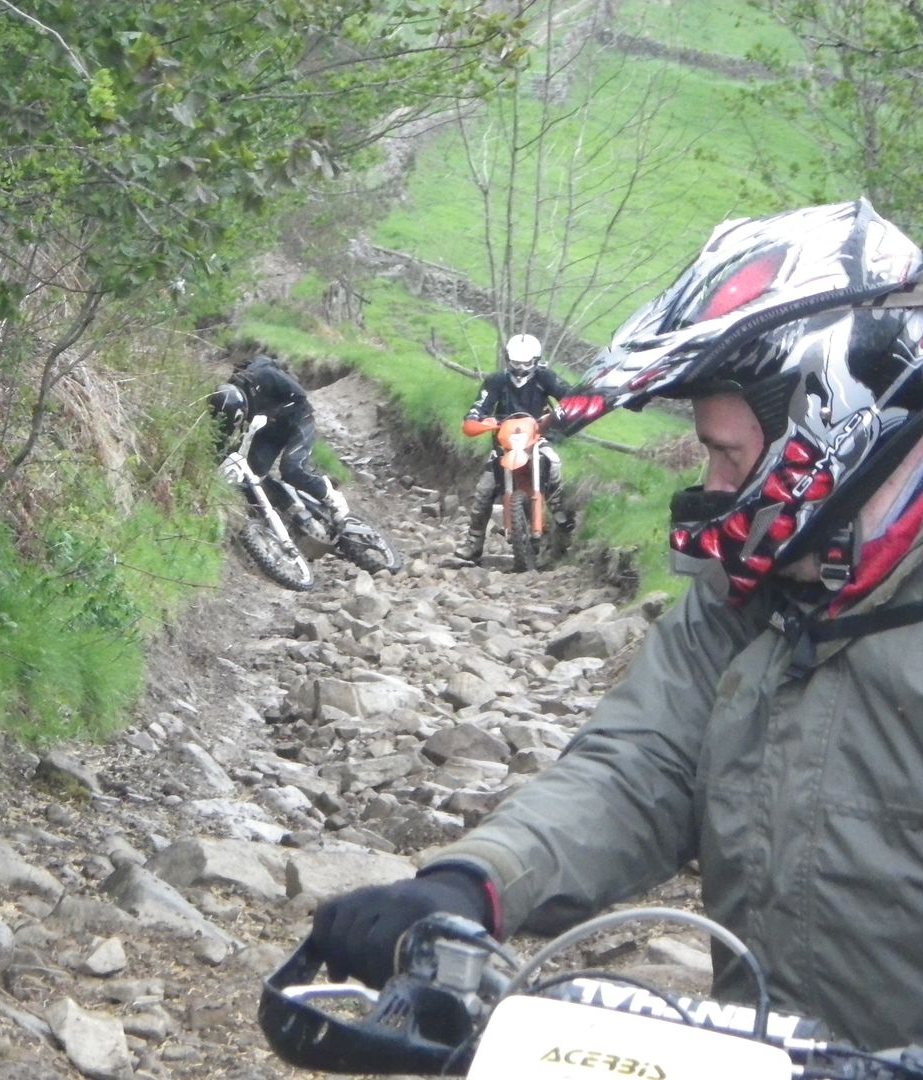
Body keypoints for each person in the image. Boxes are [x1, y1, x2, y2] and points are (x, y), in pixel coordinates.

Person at [307, 198, 923, 1051]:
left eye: (726, 453)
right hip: (767, 1051)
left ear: (834, 421)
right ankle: (481, 542)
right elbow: (645, 764)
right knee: (492, 493)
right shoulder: (753, 592)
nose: (708, 482)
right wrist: (474, 882)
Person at [457, 333, 576, 564]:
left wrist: (561, 412)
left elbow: (569, 396)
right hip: (504, 441)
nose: (521, 368)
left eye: (526, 363)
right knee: (484, 490)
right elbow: (479, 407)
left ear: (536, 360)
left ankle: (560, 517)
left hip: (537, 436)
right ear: (507, 359)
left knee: (554, 465)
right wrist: (477, 419)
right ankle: (473, 543)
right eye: (516, 362)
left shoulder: (545, 377)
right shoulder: (496, 381)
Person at [208, 354, 350, 529]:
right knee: (253, 475)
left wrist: (270, 415)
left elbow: (299, 396)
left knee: (291, 469)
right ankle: (287, 509)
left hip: (299, 419)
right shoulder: (228, 401)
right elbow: (226, 438)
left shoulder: (264, 376)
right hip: (270, 430)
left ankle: (332, 498)